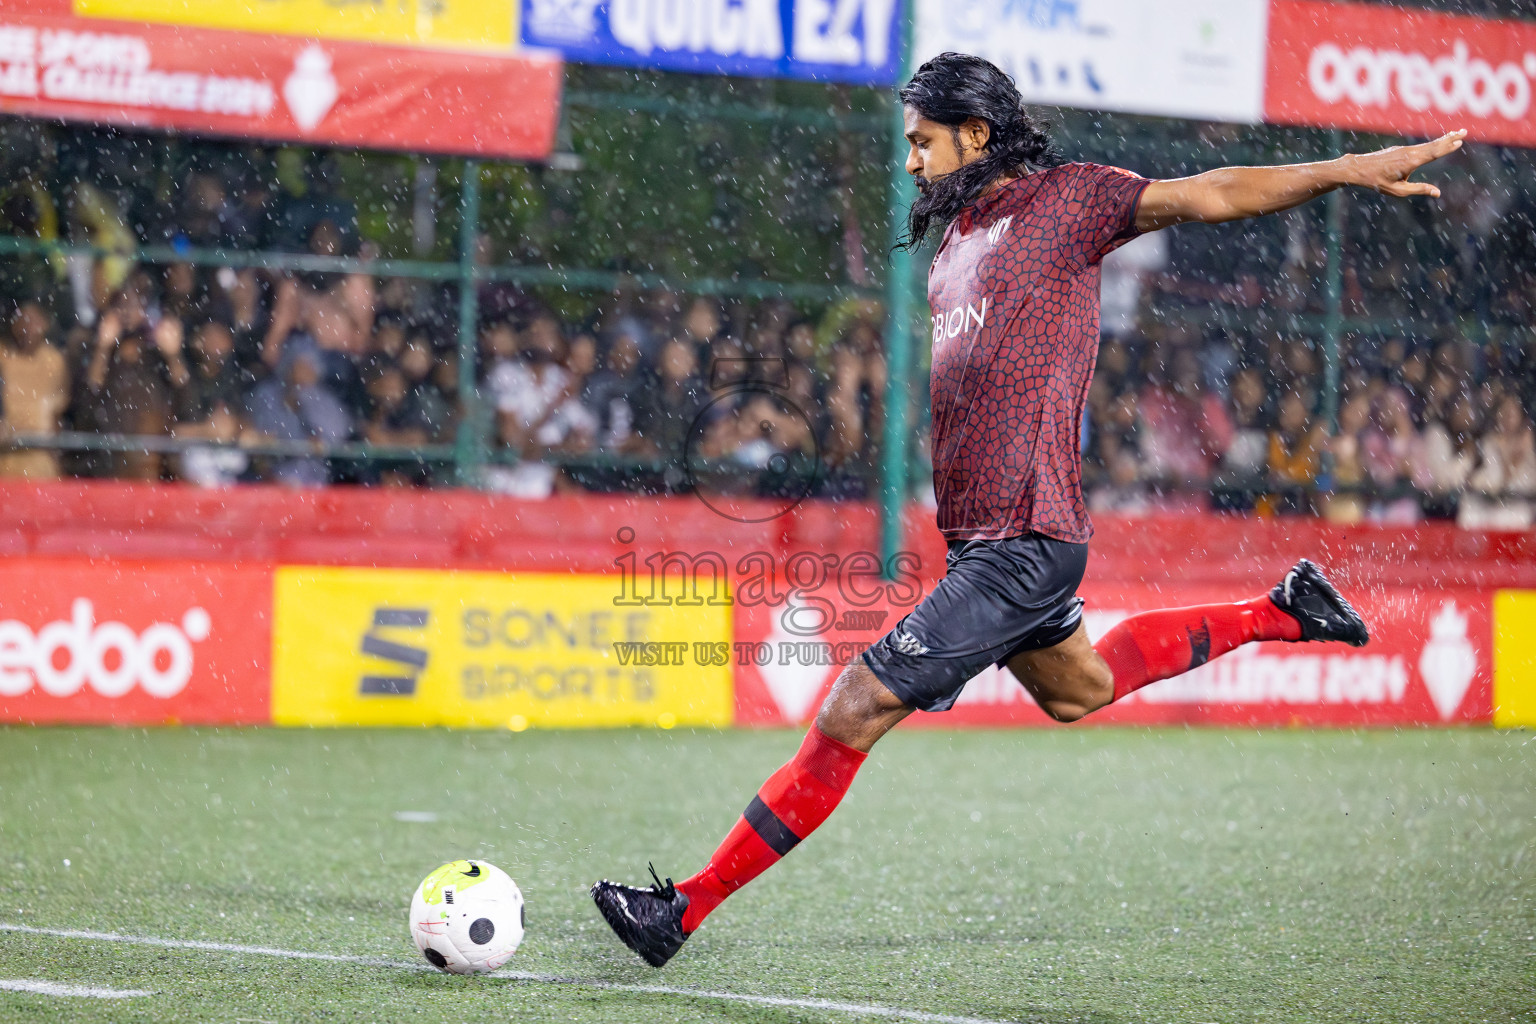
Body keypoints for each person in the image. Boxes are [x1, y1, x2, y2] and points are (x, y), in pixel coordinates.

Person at [591, 51, 1462, 967]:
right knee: (1077, 689)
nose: (911, 162)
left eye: (923, 143)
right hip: (992, 546)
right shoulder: (956, 241)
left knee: (852, 706)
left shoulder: (1069, 202)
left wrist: (1345, 170)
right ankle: (1284, 609)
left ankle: (680, 911)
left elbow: (1215, 193)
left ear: (976, 134)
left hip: (1023, 542)